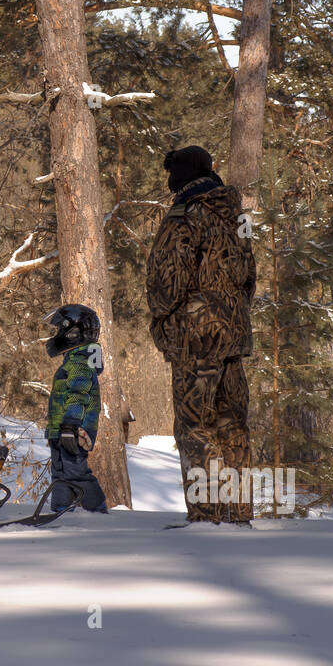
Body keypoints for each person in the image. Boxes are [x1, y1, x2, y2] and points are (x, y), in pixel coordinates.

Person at [146, 146, 256, 524]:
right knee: (233, 426)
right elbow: (249, 277)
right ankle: (238, 515)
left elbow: (166, 280)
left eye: (171, 174)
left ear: (182, 175)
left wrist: (163, 319)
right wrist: (231, 316)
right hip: (234, 336)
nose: (168, 182)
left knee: (195, 425)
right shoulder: (237, 216)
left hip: (196, 337)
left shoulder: (184, 214)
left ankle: (207, 518)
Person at [42, 304, 108, 513]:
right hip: (62, 429)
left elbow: (79, 393)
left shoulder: (80, 362)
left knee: (75, 471)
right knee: (60, 471)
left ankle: (97, 511)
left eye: (58, 330)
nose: (56, 335)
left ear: (72, 332)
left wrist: (71, 424)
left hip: (73, 429)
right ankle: (61, 510)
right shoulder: (74, 359)